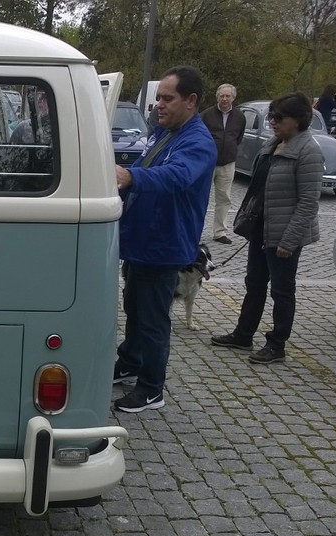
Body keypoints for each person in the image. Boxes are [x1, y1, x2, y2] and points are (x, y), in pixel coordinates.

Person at [112, 65, 217, 413]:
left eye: (167, 98)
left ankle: (151, 388)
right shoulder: (163, 133)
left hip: (164, 245)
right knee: (135, 308)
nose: (159, 104)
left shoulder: (198, 142)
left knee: (154, 319)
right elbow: (143, 164)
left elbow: (176, 176)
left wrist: (130, 177)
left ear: (191, 101)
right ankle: (130, 362)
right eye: (158, 98)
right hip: (143, 242)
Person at [211, 92, 322, 364]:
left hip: (285, 235)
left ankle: (277, 345)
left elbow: (308, 203)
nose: (272, 121)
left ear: (298, 120)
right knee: (254, 284)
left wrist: (289, 240)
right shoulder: (273, 144)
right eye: (271, 115)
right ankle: (243, 334)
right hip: (261, 228)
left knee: (282, 291)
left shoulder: (309, 151)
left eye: (278, 117)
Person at [200, 83, 247, 244]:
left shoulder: (240, 117)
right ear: (217, 97)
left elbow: (238, 137)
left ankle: (219, 232)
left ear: (233, 98)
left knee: (224, 198)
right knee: (200, 196)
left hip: (228, 163)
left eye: (228, 96)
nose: (225, 99)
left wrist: (230, 150)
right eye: (222, 96)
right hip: (207, 163)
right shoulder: (206, 115)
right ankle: (196, 228)